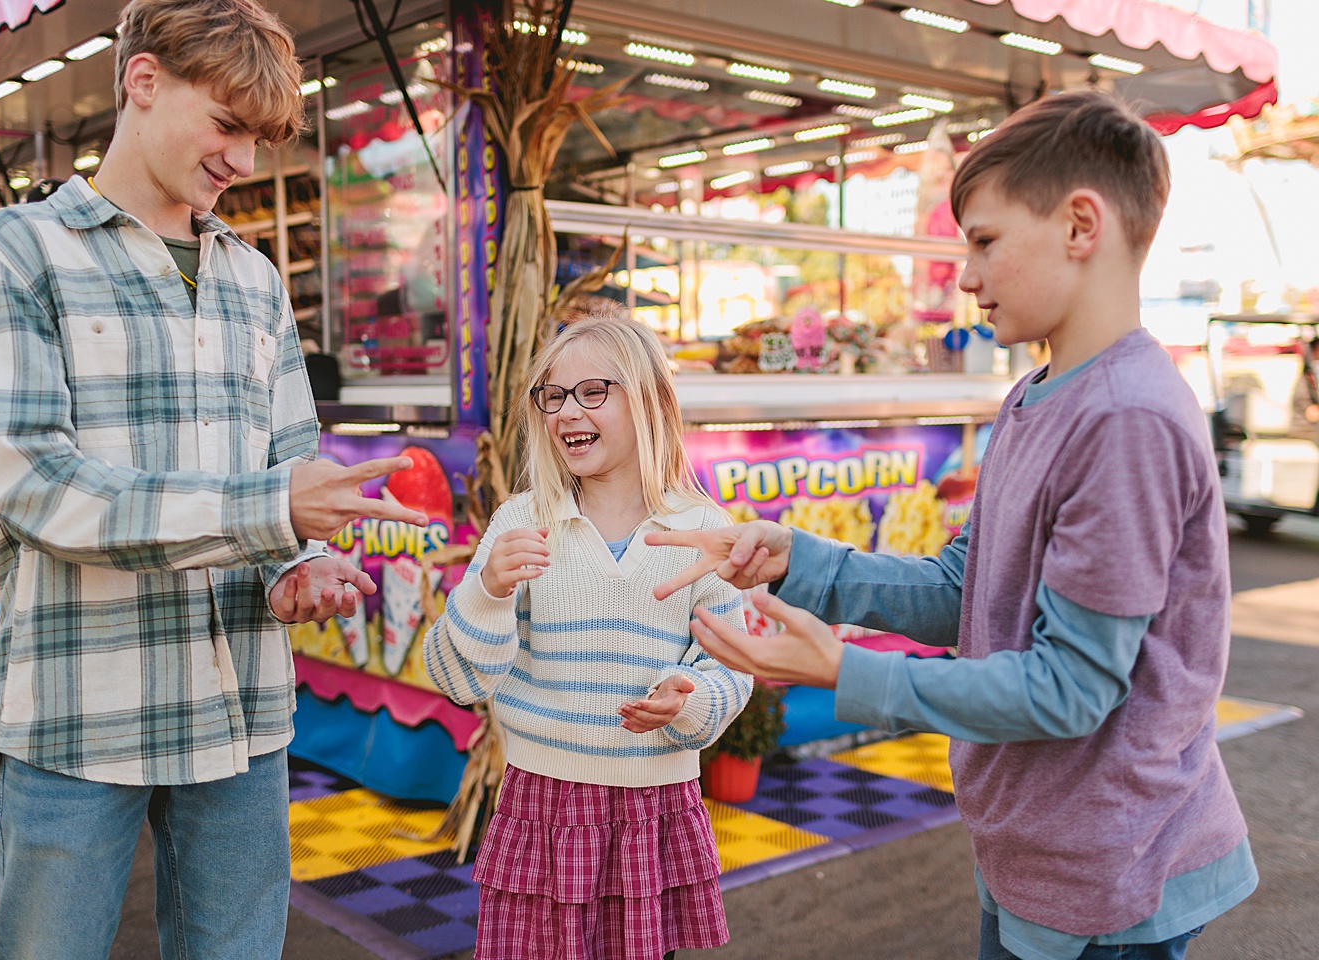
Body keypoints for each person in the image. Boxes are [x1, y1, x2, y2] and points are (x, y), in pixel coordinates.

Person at [648, 90, 1256, 960]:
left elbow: (1070, 690)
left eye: (984, 242)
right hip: (1045, 854)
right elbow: (964, 589)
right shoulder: (1036, 395)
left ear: (1082, 225)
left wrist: (840, 669)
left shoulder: (1127, 418)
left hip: (1111, 878)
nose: (965, 276)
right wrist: (795, 559)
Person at [0, 2, 428, 958]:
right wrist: (272, 511)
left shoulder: (254, 279)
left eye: (256, 137)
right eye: (226, 124)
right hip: (78, 712)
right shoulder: (18, 252)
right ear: (142, 82)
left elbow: (287, 462)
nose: (243, 161)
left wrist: (304, 562)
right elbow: (38, 487)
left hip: (243, 709)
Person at [424, 305, 753, 960]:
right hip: (542, 807)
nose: (568, 412)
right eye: (553, 396)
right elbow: (454, 678)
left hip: (654, 808)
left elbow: (732, 669)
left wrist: (688, 700)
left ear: (652, 400)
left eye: (593, 391)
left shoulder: (703, 531)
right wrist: (486, 590)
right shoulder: (522, 524)